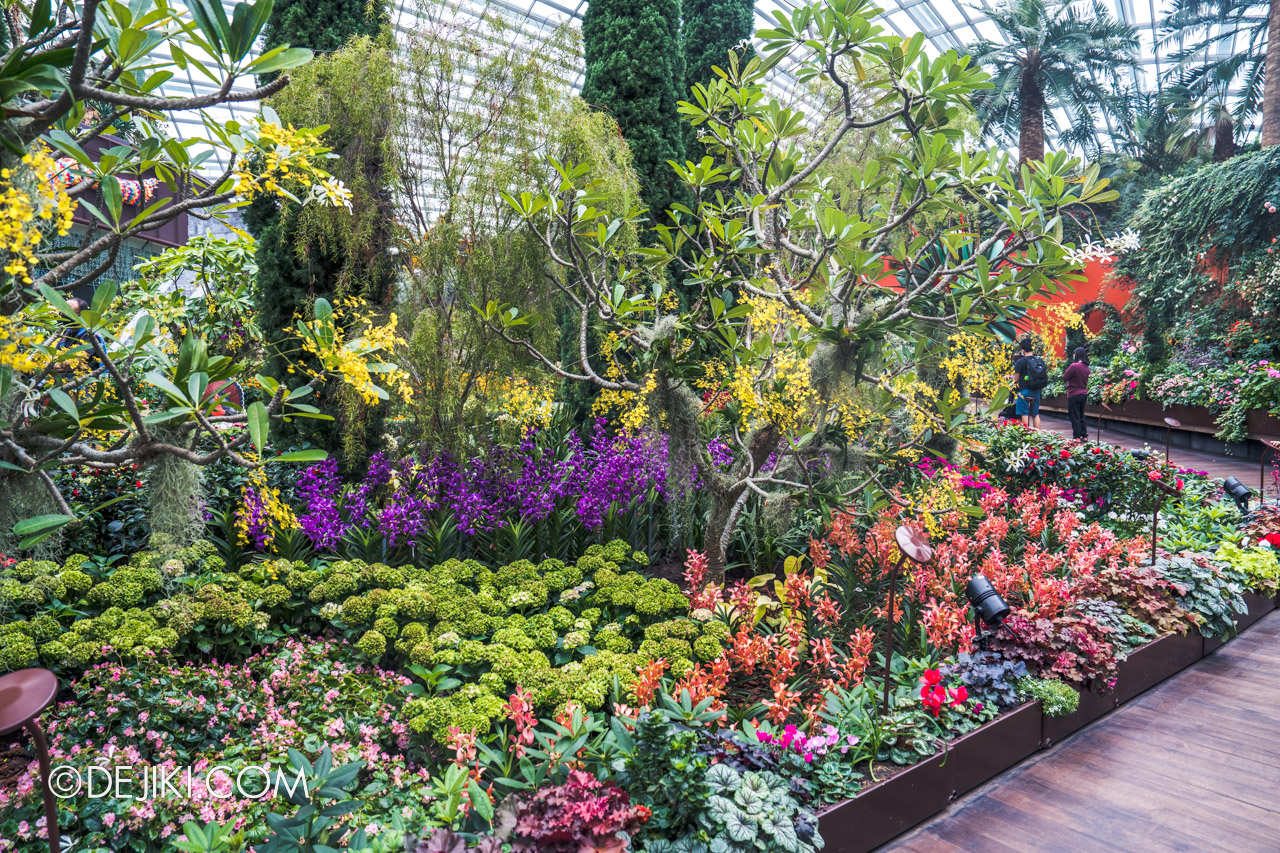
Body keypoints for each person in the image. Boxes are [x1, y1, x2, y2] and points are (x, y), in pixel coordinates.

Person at [1012, 337, 1048, 429]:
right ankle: (1037, 434)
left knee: (1024, 413)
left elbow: (1016, 380)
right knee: (1035, 414)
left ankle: (1026, 433)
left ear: (1023, 350)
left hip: (1024, 391)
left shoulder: (1020, 362)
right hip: (1036, 391)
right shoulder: (1039, 361)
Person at [1064, 346, 1090, 440]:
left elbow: (1065, 377)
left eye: (1074, 354)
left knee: (1074, 415)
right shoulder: (1086, 367)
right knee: (1081, 415)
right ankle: (1084, 435)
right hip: (1083, 393)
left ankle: (1077, 437)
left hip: (1073, 393)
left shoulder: (1074, 366)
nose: (1073, 356)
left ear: (1077, 354)